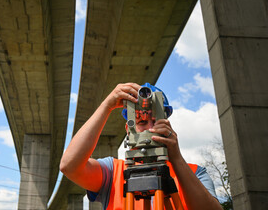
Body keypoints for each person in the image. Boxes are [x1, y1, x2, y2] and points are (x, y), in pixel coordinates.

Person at [60, 83, 222, 210]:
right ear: (128, 130)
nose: (151, 128)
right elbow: (69, 165)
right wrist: (106, 106)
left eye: (156, 120)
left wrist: (177, 158)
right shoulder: (112, 171)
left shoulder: (195, 173)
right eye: (142, 122)